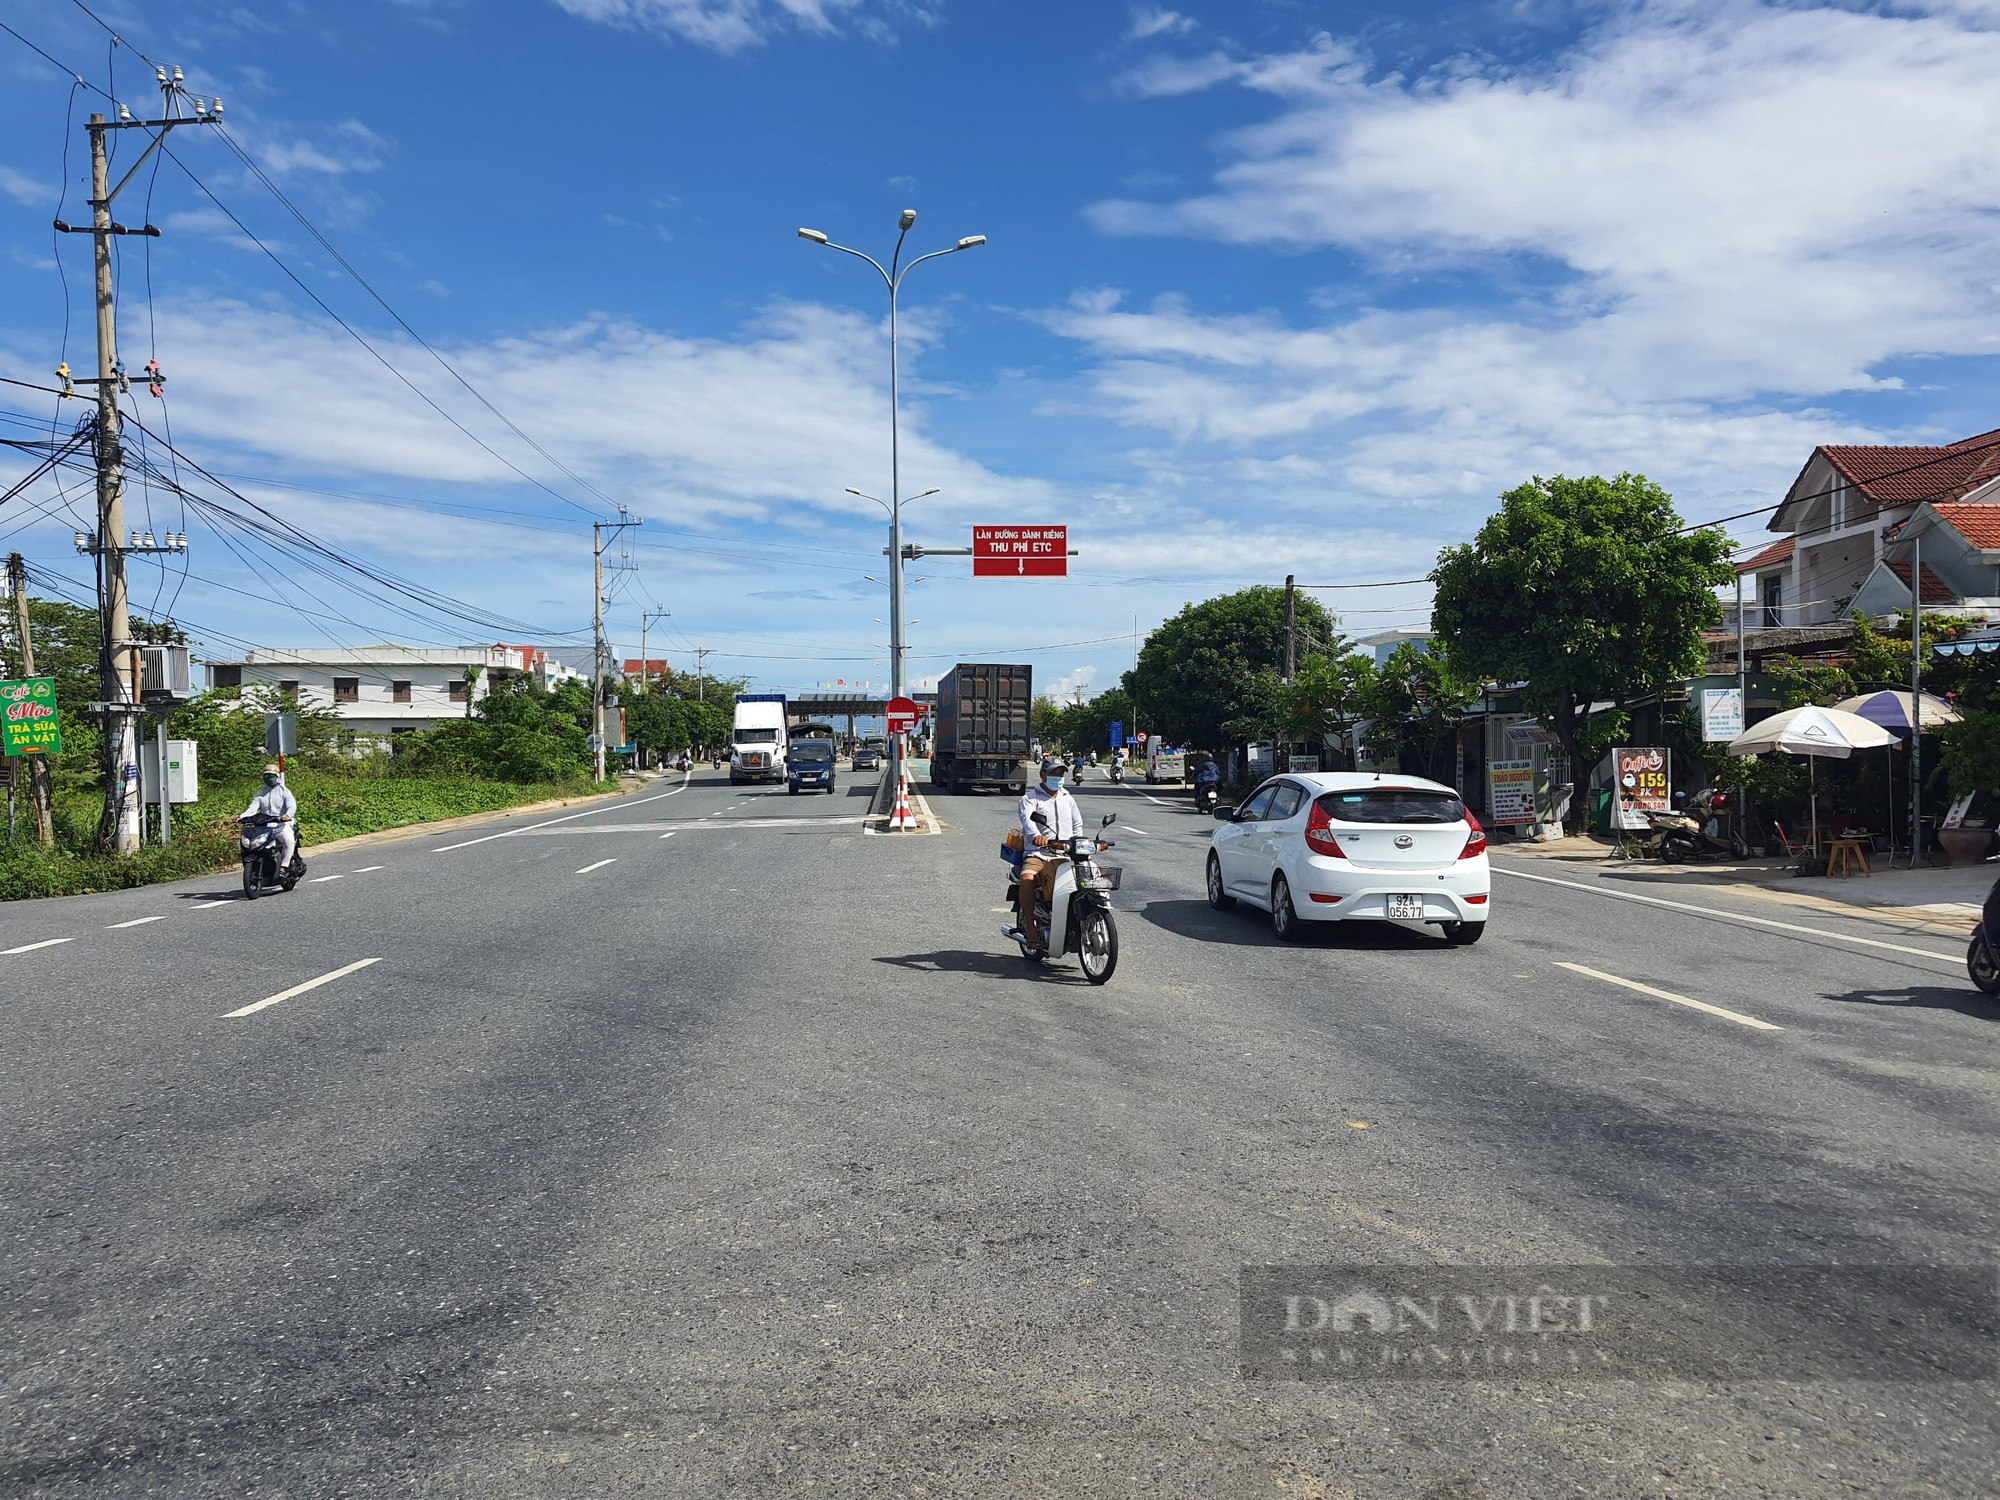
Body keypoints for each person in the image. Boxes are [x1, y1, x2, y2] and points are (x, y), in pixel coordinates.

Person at [1014, 755, 1084, 953]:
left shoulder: (1068, 799)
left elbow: (1077, 824)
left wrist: (1079, 842)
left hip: (1067, 855)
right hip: (1039, 853)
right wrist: (1036, 836)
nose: (1058, 777)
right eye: (1054, 773)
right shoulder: (1030, 799)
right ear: (1043, 775)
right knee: (1027, 878)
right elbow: (1028, 822)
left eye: (1061, 773)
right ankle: (1031, 928)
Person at [241, 763, 299, 873]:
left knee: (289, 841)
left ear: (277, 777)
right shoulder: (261, 794)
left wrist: (288, 816)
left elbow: (292, 806)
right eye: (266, 776)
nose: (268, 779)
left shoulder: (284, 791)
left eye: (271, 776)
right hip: (265, 827)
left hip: (281, 825)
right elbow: (252, 809)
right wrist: (242, 816)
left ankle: (284, 866)